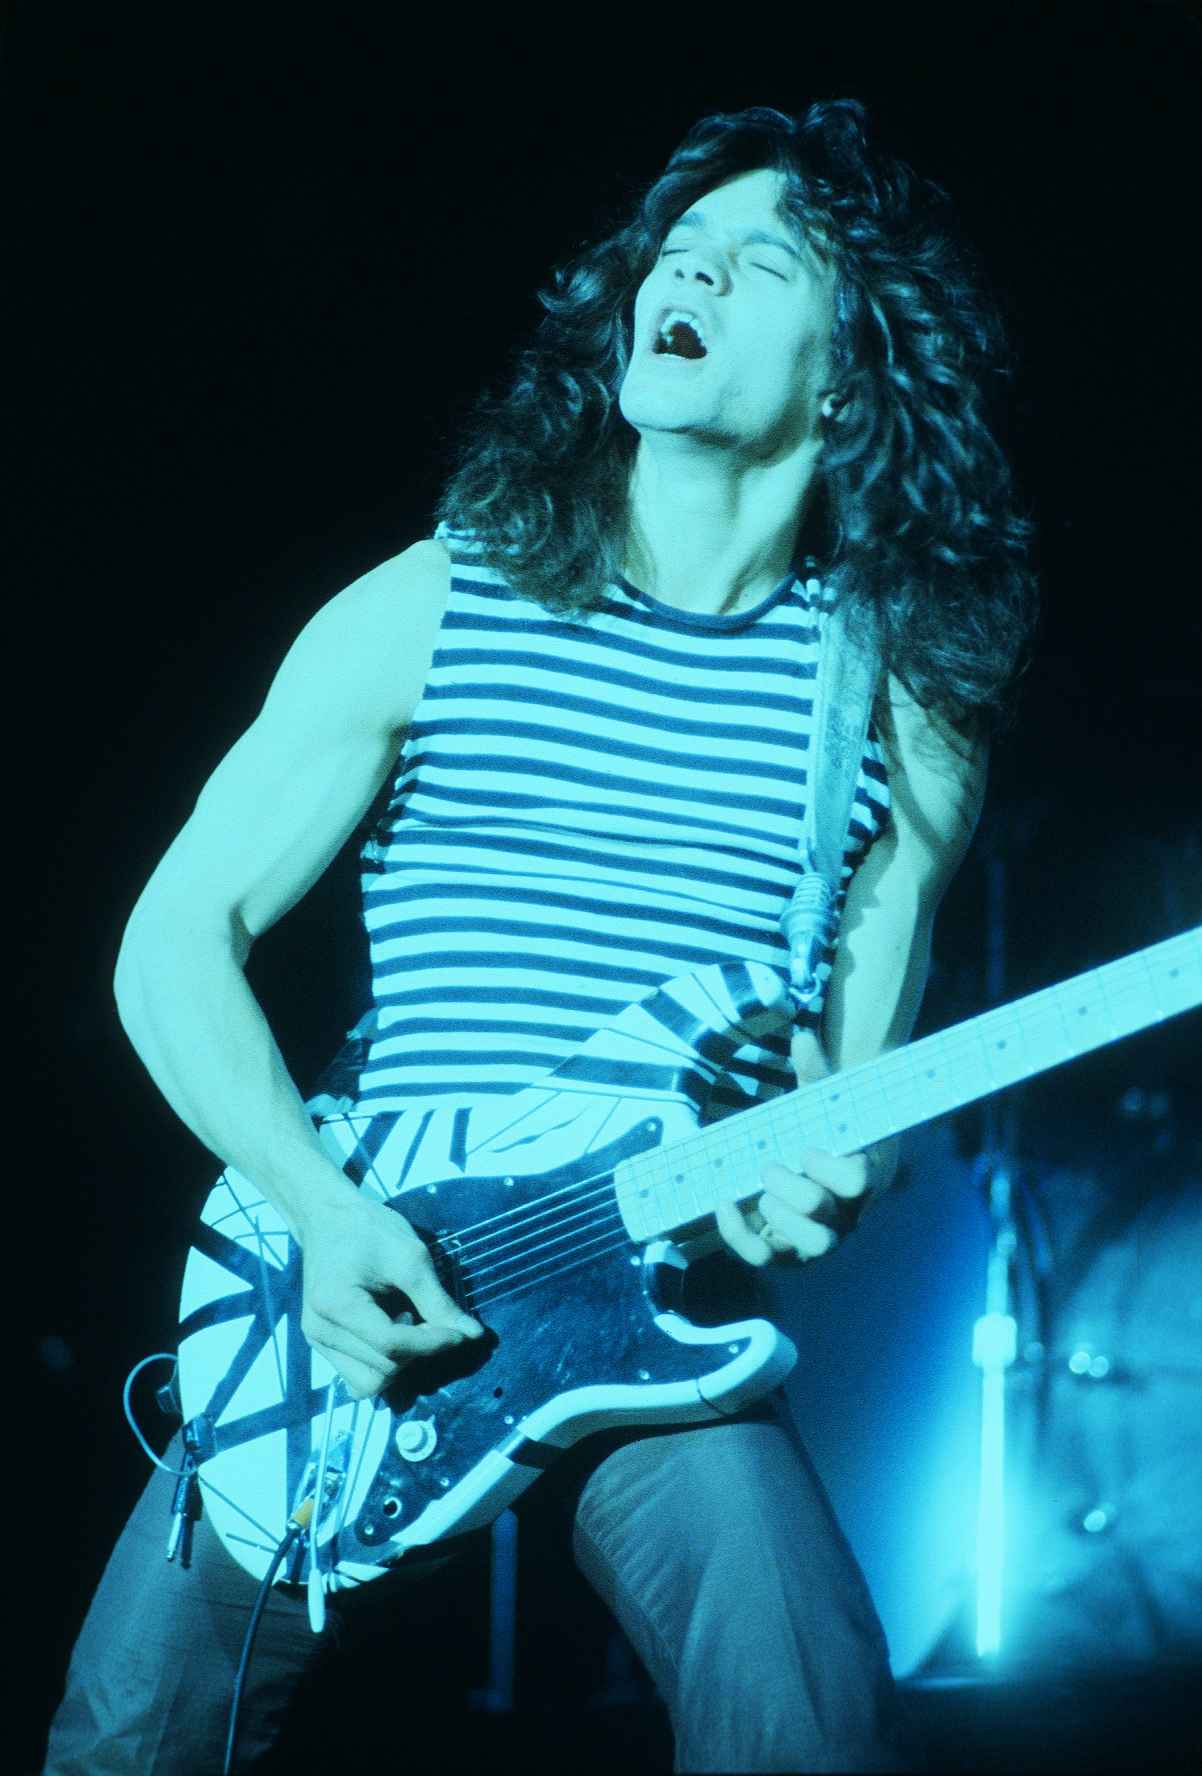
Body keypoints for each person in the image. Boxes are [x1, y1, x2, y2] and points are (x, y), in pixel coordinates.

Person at [43, 100, 1036, 1773]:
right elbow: (171, 941)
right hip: (376, 1260)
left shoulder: (896, 698)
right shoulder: (440, 600)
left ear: (849, 375)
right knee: (129, 1741)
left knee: (803, 1706)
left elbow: (848, 1089)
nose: (688, 273)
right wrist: (321, 1210)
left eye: (757, 263)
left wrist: (821, 1181)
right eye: (678, 247)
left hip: (646, 1285)